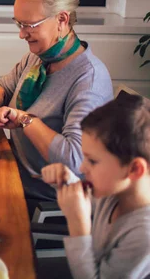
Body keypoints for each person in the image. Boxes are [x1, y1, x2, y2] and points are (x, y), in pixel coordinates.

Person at [0, 0, 113, 201]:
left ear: (61, 19)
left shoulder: (89, 81)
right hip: (15, 169)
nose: (21, 33)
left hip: (43, 194)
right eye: (18, 23)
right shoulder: (39, 58)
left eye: (29, 25)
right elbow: (7, 86)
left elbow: (75, 161)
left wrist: (25, 120)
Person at [41, 94, 150, 279]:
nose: (82, 167)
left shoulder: (143, 235)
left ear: (134, 169)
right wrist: (66, 180)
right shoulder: (115, 189)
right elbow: (86, 197)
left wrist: (78, 227)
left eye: (92, 160)